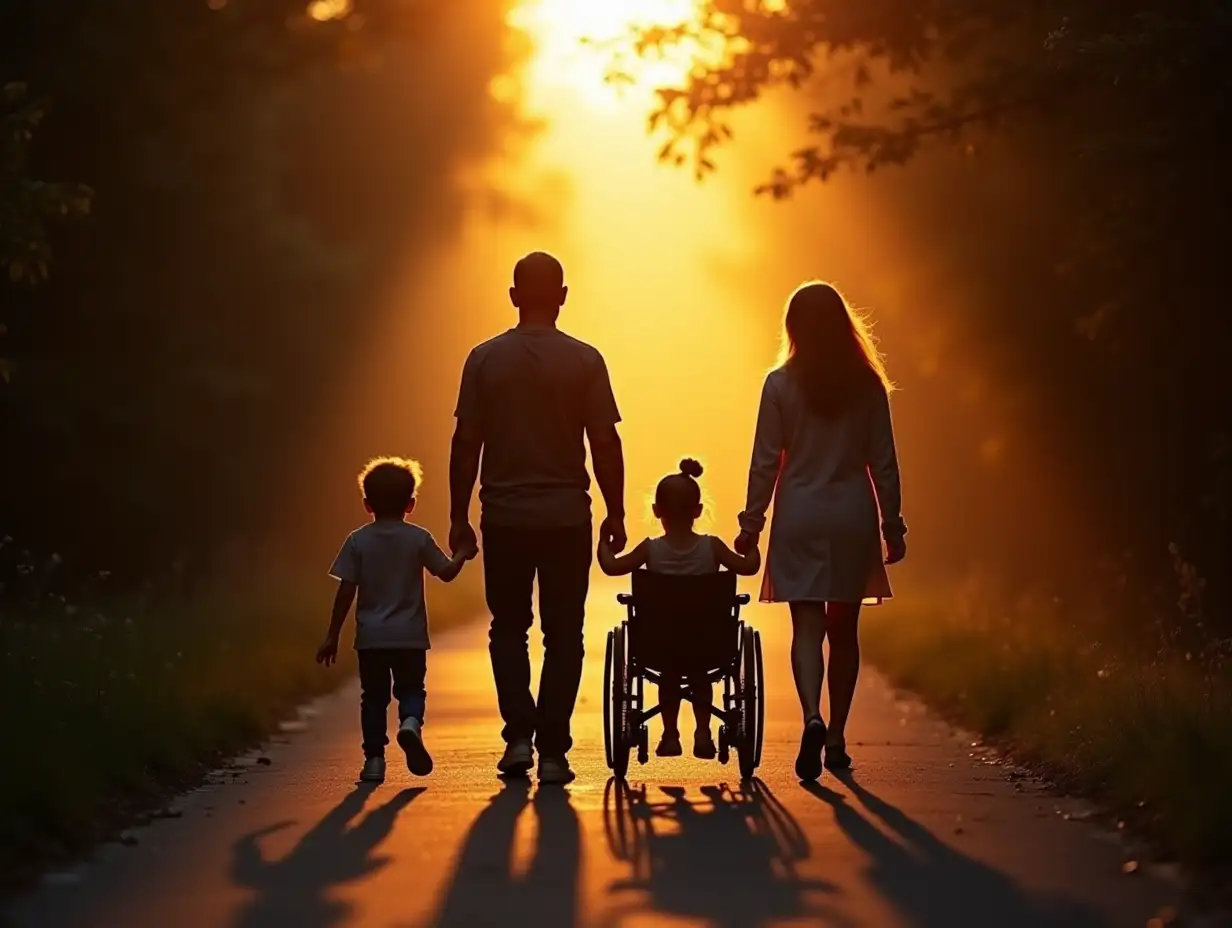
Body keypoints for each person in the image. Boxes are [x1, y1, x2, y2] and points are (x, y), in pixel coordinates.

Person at [448, 251, 626, 785]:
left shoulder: (483, 360)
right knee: (565, 633)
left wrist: (459, 515)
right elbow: (605, 440)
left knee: (508, 629)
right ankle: (553, 749)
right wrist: (616, 512)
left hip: (504, 517)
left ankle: (519, 737)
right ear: (563, 297)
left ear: (514, 296)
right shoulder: (585, 361)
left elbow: (466, 441)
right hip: (567, 517)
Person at [735, 281, 906, 782]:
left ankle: (810, 713)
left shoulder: (780, 385)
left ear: (793, 328)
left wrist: (750, 524)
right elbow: (885, 464)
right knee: (844, 632)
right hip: (852, 515)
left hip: (801, 515)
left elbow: (765, 463)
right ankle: (834, 736)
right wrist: (892, 523)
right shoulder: (868, 386)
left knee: (807, 627)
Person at [316, 457, 476, 783]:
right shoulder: (418, 538)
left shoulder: (357, 541)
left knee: (373, 697)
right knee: (411, 689)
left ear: (367, 504)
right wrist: (462, 553)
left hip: (372, 638)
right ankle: (410, 723)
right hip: (410, 637)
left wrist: (332, 634)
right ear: (411, 504)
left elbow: (346, 592)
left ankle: (374, 760)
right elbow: (445, 572)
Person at [598, 458, 761, 759]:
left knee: (669, 672)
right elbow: (749, 567)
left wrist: (603, 543)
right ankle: (702, 732)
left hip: (658, 645)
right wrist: (751, 543)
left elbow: (612, 567)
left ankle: (670, 733)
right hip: (708, 644)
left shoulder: (650, 549)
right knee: (699, 672)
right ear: (698, 511)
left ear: (656, 510)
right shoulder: (713, 548)